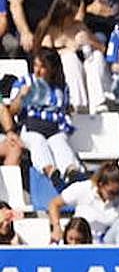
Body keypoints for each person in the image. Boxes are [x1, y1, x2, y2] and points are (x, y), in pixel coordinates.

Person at [0, 49, 82, 184]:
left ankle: (71, 171)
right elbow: (12, 111)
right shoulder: (24, 82)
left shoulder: (61, 87)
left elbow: (65, 109)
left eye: (43, 67)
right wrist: (21, 96)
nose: (38, 70)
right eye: (36, 65)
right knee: (38, 141)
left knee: (59, 142)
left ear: (52, 69)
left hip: (54, 127)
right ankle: (50, 171)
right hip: (31, 127)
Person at [32, 0, 108, 114]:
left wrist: (90, 41)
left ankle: (98, 102)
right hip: (61, 72)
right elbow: (43, 57)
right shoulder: (48, 28)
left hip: (85, 69)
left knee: (96, 56)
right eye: (70, 14)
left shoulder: (79, 26)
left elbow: (103, 50)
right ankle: (78, 103)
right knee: (69, 57)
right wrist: (65, 49)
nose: (73, 18)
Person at [48, 161, 119, 245]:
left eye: (118, 192)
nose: (116, 195)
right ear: (100, 185)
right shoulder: (83, 188)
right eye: (111, 192)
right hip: (81, 239)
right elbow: (54, 204)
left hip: (104, 242)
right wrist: (56, 227)